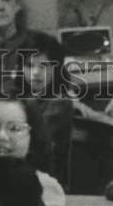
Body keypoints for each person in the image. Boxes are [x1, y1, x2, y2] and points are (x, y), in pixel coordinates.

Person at [22, 32, 75, 186]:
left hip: (45, 183)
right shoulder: (24, 95)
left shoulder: (59, 102)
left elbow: (36, 146)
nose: (36, 73)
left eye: (44, 66)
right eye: (29, 65)